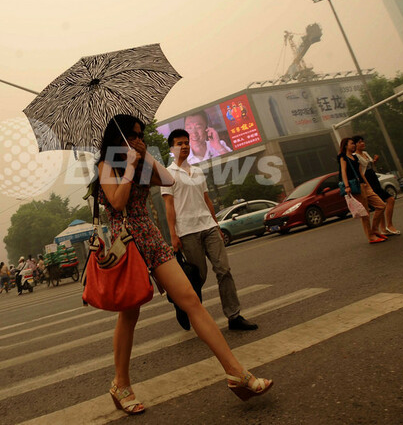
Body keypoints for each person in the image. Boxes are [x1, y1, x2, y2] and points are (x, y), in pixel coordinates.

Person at [95, 114, 272, 415]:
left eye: (141, 135)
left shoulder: (141, 160)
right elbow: (118, 202)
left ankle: (236, 372)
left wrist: (145, 156)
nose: (139, 139)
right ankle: (120, 384)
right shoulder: (107, 165)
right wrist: (130, 167)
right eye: (133, 135)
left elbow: (168, 179)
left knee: (191, 299)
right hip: (126, 243)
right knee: (130, 314)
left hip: (151, 237)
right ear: (118, 137)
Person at [162, 129, 258, 332]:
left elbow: (207, 200)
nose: (185, 146)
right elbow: (169, 206)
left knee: (224, 270)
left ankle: (234, 316)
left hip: (209, 227)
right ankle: (183, 306)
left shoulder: (197, 171)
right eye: (179, 143)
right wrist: (173, 235)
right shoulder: (167, 174)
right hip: (187, 231)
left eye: (186, 142)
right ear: (172, 148)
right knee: (198, 277)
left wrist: (216, 225)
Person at [339, 137, 387, 244]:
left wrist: (368, 185)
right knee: (365, 213)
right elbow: (343, 172)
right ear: (346, 145)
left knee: (381, 205)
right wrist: (347, 186)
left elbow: (361, 173)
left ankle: (375, 229)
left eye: (354, 143)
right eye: (352, 143)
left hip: (364, 185)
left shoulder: (355, 157)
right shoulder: (343, 157)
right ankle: (371, 236)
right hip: (355, 187)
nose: (354, 145)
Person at [352, 135, 400, 235]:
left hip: (374, 179)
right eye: (359, 142)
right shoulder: (355, 156)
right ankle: (388, 225)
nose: (362, 143)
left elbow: (370, 166)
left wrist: (374, 161)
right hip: (368, 181)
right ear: (355, 144)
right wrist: (366, 185)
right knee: (389, 200)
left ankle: (383, 228)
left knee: (380, 205)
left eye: (363, 141)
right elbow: (360, 171)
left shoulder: (365, 153)